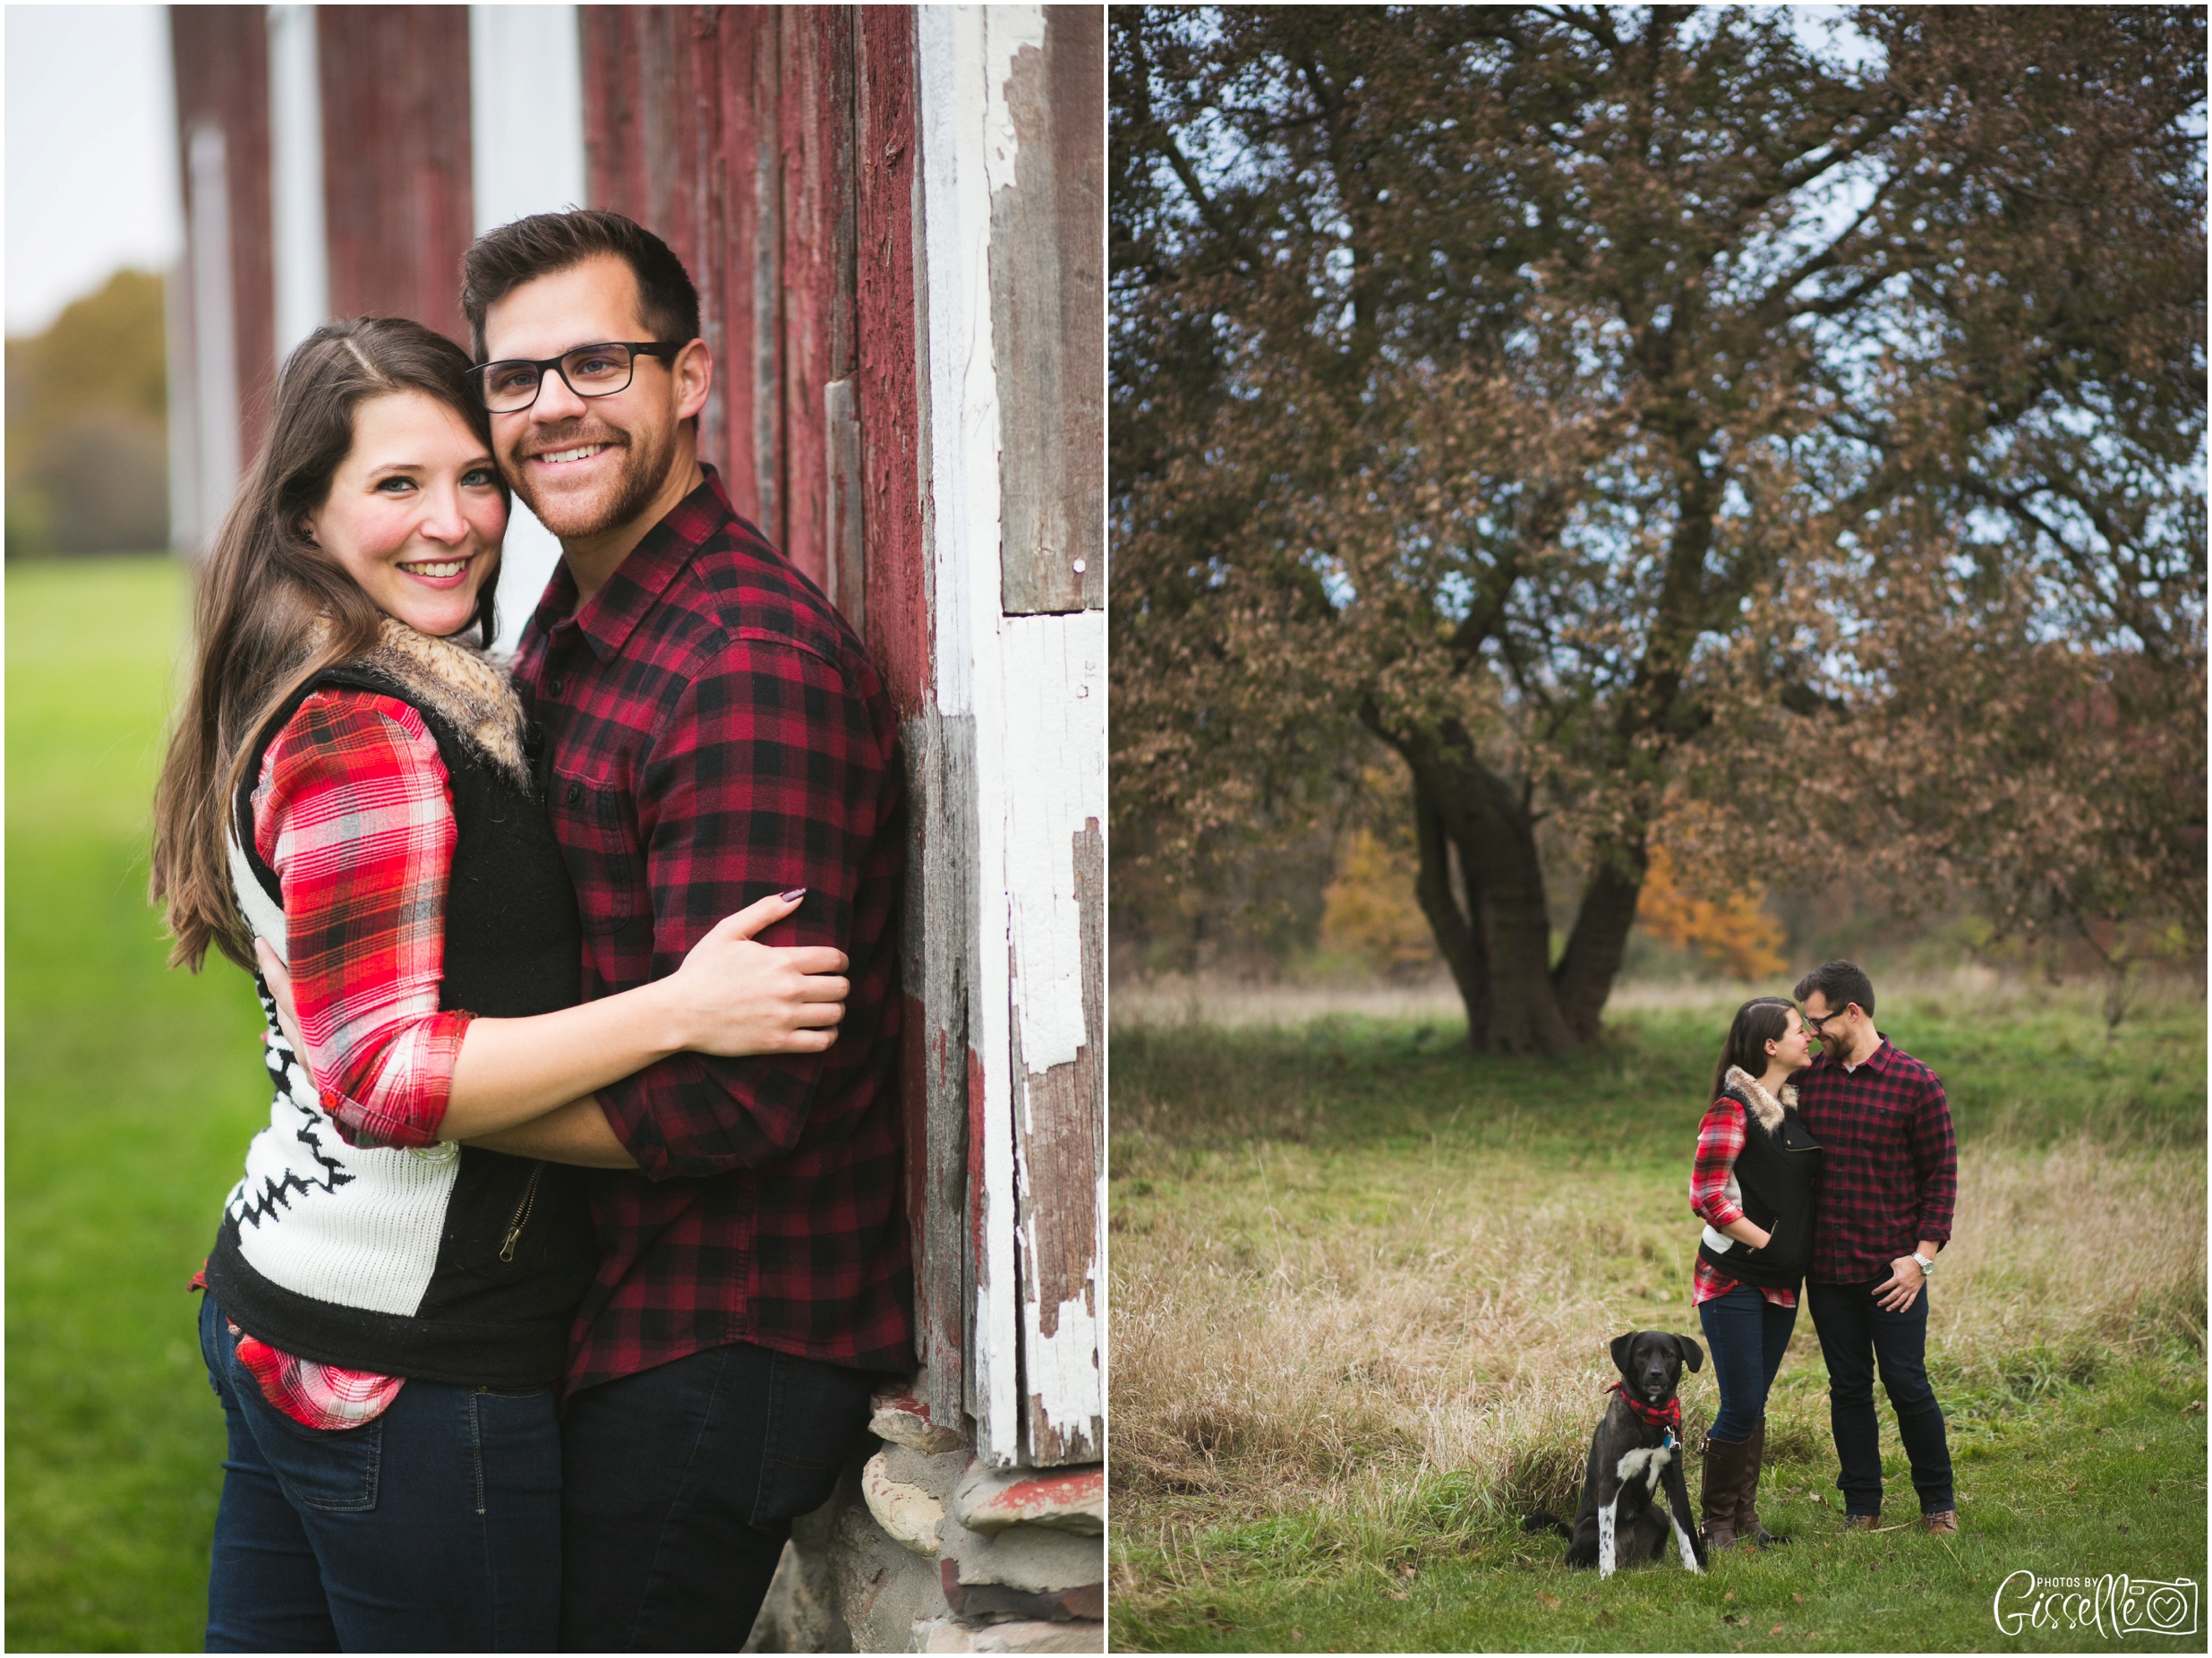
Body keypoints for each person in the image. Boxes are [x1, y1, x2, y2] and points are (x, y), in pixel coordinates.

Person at [149, 316, 851, 1652]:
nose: (457, 522)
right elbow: (381, 1076)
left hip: (289, 1291)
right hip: (402, 1361)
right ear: (307, 513)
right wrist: (680, 1010)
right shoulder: (365, 730)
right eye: (396, 486)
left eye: (475, 476)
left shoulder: (363, 676)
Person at [457, 209, 913, 1649]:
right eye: (515, 381)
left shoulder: (738, 668)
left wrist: (435, 1099)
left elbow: (733, 1100)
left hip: (725, 1337)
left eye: (596, 364)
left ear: (689, 376)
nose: (552, 411)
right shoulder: (577, 628)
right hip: (622, 1307)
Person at [1793, 960, 1960, 1535]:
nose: (1812, 1034)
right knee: (1848, 1389)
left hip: (1894, 1273)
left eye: (1818, 1022)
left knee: (1908, 1384)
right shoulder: (1809, 1082)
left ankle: (1938, 1504)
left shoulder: (1917, 1083)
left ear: (1854, 1012)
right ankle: (1861, 1507)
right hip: (1829, 1270)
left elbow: (1941, 1179)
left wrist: (1921, 1261)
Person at [1688, 996, 1822, 1552]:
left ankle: (1745, 1521)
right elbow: (1706, 1197)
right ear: (1770, 1045)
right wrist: (1772, 1245)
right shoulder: (1732, 1109)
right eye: (1799, 1029)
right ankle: (1715, 1526)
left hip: (1780, 1283)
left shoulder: (1791, 1106)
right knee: (1741, 1402)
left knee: (1754, 1401)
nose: (1809, 1035)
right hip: (1733, 1280)